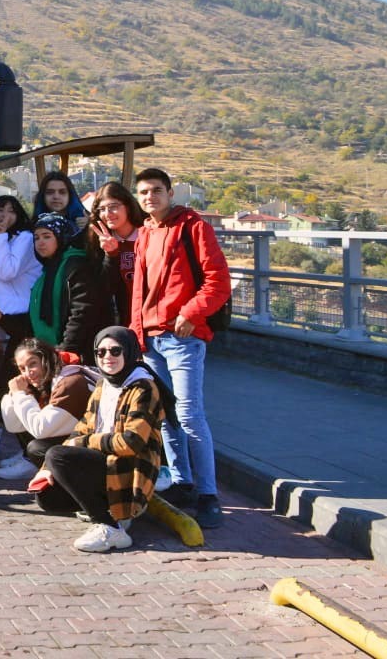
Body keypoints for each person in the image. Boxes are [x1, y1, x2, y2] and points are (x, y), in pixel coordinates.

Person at [132, 167, 231, 528]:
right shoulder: (145, 233)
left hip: (182, 337)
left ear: (170, 193)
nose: (150, 197)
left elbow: (218, 280)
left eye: (156, 190)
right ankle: (182, 481)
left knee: (189, 415)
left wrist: (191, 313)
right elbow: (139, 291)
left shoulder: (193, 227)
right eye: (143, 192)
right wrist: (137, 333)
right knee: (167, 416)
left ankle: (208, 495)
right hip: (152, 339)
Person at [35, 326, 168, 553]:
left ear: (129, 352)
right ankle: (105, 506)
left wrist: (84, 444)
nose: (108, 357)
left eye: (115, 351)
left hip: (130, 468)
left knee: (58, 456)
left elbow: (130, 442)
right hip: (105, 460)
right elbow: (82, 428)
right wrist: (46, 469)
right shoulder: (103, 384)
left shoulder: (144, 387)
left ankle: (110, 525)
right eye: (101, 352)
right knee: (46, 488)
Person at [0, 196, 40, 458]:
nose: (3, 215)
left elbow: (7, 271)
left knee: (13, 381)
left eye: (11, 211)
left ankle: (27, 449)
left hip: (19, 319)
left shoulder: (24, 238)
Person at [0, 337, 93, 481]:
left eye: (32, 364)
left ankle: (58, 478)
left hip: (92, 446)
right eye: (22, 368)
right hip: (73, 438)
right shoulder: (45, 380)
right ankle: (34, 464)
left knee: (37, 449)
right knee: (33, 438)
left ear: (46, 359)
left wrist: (20, 395)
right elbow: (14, 426)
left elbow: (41, 429)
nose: (28, 373)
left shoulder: (70, 382)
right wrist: (14, 395)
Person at [27, 213, 108, 363]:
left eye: (47, 236)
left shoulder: (76, 264)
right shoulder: (46, 272)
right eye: (36, 238)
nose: (40, 242)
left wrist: (66, 349)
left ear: (61, 236)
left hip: (77, 354)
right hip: (54, 353)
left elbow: (82, 310)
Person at [85, 181, 142, 329]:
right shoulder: (98, 242)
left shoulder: (148, 234)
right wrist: (111, 254)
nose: (107, 214)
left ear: (128, 206)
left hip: (152, 318)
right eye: (102, 209)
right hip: (121, 323)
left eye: (113, 207)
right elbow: (104, 289)